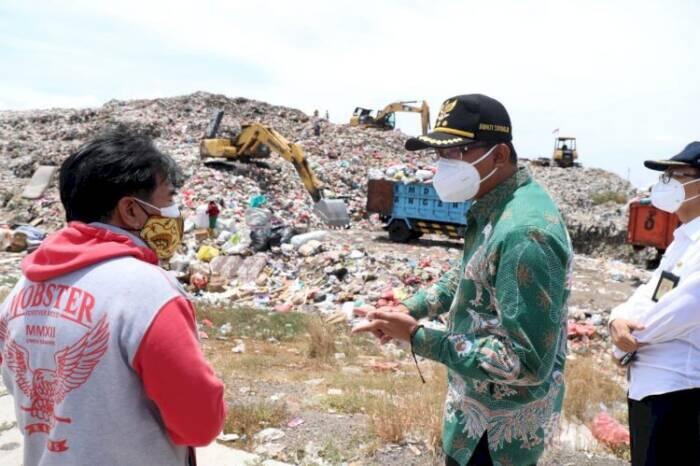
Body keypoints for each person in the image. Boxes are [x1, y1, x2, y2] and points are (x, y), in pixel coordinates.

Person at [354, 94, 573, 466]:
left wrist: (417, 337)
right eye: (440, 154)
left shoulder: (525, 233)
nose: (443, 165)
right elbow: (470, 272)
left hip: (498, 436)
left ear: (499, 155)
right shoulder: (497, 206)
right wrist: (410, 308)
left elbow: (526, 362)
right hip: (472, 417)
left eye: (456, 152)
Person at [0, 126, 226, 466]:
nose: (174, 213)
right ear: (131, 210)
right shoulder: (148, 292)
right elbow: (199, 423)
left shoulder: (19, 293)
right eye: (168, 199)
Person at [609, 141, 700, 466]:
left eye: (676, 175)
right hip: (649, 391)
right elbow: (647, 295)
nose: (666, 183)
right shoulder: (683, 240)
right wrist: (616, 320)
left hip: (679, 394)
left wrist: (624, 345)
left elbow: (681, 309)